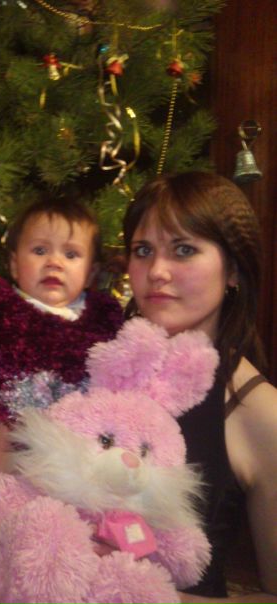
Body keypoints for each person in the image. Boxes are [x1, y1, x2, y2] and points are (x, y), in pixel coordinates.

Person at [121, 171, 277, 602]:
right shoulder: (106, 374)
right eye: (143, 250)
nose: (156, 271)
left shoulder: (258, 411)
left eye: (184, 249)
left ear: (233, 270)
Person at [0, 198, 124, 501]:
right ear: (14, 265)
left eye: (71, 254)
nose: (54, 262)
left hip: (80, 451)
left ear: (90, 273)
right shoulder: (2, 306)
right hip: (4, 442)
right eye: (40, 250)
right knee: (17, 506)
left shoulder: (101, 319)